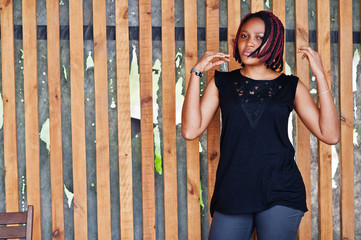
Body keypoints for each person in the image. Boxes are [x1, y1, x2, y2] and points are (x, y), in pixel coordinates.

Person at [181, 10, 339, 240]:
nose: (249, 43)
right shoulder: (221, 82)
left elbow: (331, 134)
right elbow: (190, 130)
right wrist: (196, 73)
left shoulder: (290, 86)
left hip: (280, 190)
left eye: (259, 37)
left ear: (272, 42)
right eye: (244, 36)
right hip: (233, 190)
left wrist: (320, 76)